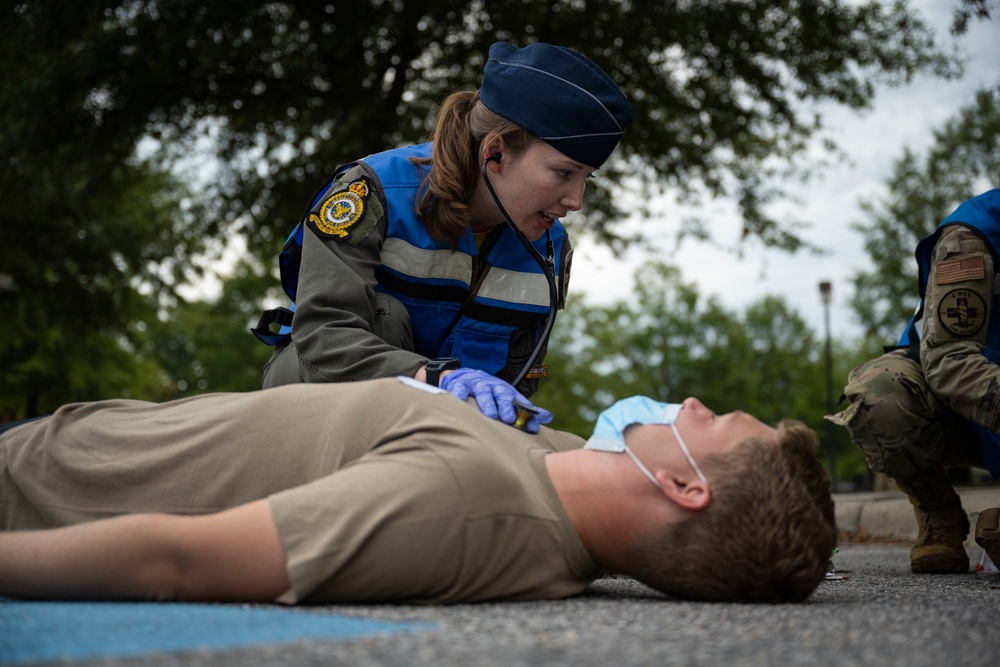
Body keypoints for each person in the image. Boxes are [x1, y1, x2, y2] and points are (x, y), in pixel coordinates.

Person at [0, 377, 836, 605]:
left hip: (34, 483)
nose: (692, 402)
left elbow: (172, 562)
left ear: (685, 485)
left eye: (716, 416)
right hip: (71, 437)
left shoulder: (464, 499)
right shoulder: (556, 457)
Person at [251, 41, 633, 427]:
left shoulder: (550, 246)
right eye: (564, 173)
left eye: (587, 178)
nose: (576, 201)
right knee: (388, 317)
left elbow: (518, 379)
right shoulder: (374, 194)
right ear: (496, 152)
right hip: (311, 403)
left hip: (440, 433)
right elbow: (324, 339)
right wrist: (439, 378)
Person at [828, 188, 1000, 574]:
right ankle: (937, 509)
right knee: (881, 396)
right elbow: (949, 364)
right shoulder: (974, 238)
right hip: (956, 408)